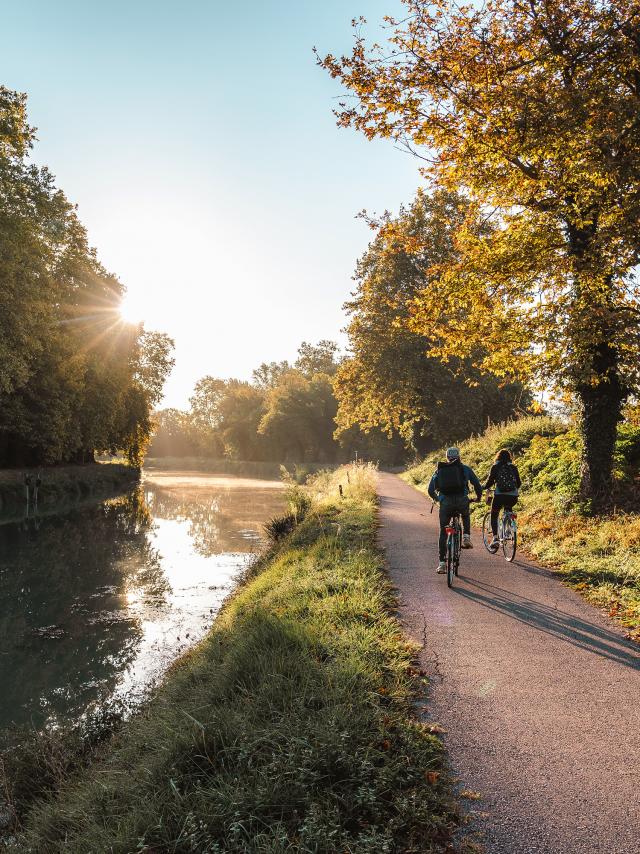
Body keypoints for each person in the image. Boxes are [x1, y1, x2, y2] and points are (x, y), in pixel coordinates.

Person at [428, 447, 482, 574]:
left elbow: (430, 490)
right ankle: (466, 537)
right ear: (459, 457)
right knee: (465, 515)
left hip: (445, 503)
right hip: (462, 500)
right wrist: (478, 498)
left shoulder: (440, 470)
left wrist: (438, 499)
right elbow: (477, 485)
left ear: (447, 457)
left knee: (443, 532)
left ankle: (442, 564)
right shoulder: (465, 469)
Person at [483, 448, 521, 552]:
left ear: (498, 457)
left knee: (494, 514)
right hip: (513, 497)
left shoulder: (495, 466)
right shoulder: (513, 467)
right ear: (509, 457)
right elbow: (519, 483)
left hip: (499, 496)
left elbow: (490, 482)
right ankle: (508, 529)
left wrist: (483, 487)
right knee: (508, 509)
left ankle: (495, 538)